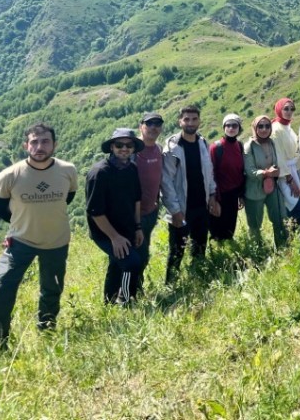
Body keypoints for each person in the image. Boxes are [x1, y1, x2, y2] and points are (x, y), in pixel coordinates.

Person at [0, 123, 78, 353]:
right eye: (34, 142)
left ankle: (46, 331)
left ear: (55, 144)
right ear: (26, 145)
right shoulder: (9, 176)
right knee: (1, 290)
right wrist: (24, 224)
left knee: (51, 290)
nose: (39, 147)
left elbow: (67, 198)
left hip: (56, 241)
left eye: (45, 141)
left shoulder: (68, 170)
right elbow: (0, 209)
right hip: (20, 242)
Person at [85, 128, 145, 305]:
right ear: (112, 147)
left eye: (129, 145)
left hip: (126, 228)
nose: (124, 149)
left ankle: (109, 302)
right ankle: (126, 300)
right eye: (119, 145)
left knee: (117, 263)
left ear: (134, 148)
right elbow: (95, 212)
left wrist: (138, 227)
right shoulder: (100, 173)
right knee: (132, 263)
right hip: (104, 232)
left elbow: (136, 200)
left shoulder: (132, 168)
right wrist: (115, 238)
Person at [160, 105, 217, 284]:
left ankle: (197, 277)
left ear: (199, 121)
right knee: (177, 251)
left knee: (200, 246)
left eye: (194, 119)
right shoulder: (172, 147)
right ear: (180, 122)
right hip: (182, 209)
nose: (190, 123)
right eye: (186, 119)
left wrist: (213, 195)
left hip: (201, 206)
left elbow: (208, 172)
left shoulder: (202, 142)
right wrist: (175, 211)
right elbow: (166, 182)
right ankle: (171, 286)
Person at [243, 115, 291, 248]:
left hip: (272, 188)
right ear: (255, 128)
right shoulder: (249, 146)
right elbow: (250, 170)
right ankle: (258, 252)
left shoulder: (272, 142)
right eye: (260, 126)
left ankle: (283, 248)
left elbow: (276, 162)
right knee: (254, 225)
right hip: (254, 190)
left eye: (267, 126)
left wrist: (275, 171)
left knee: (280, 218)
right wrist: (265, 173)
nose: (264, 129)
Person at [134, 112, 165, 279]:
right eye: (149, 123)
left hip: (151, 212)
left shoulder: (159, 149)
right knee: (135, 256)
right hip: (133, 215)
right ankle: (127, 293)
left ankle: (135, 288)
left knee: (144, 253)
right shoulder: (132, 150)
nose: (153, 127)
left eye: (157, 123)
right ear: (141, 127)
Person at [270, 98, 300, 230]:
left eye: (292, 109)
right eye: (286, 108)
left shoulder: (288, 127)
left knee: (296, 209)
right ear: (279, 109)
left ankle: (297, 238)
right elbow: (279, 157)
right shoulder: (276, 129)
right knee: (296, 209)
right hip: (284, 175)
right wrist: (290, 180)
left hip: (293, 171)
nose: (289, 111)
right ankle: (295, 239)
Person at [209, 114, 246, 243]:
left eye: (234, 125)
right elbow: (211, 174)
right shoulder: (216, 147)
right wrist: (215, 199)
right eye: (228, 125)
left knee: (230, 228)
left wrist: (241, 195)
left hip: (233, 195)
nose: (231, 128)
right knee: (218, 229)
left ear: (239, 128)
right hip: (220, 194)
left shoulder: (239, 146)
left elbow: (240, 172)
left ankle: (228, 252)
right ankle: (219, 256)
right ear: (224, 128)